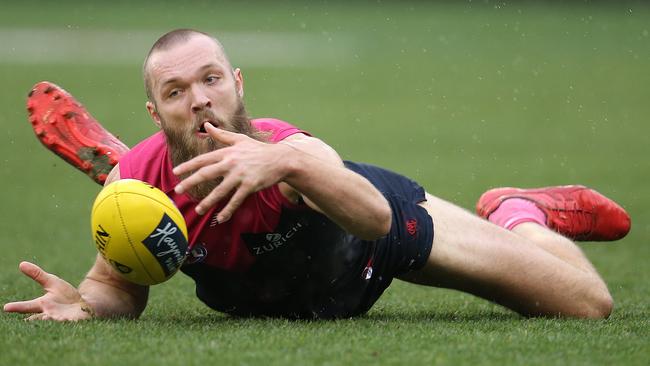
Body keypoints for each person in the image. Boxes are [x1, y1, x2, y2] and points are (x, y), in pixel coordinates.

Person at [5, 29, 631, 321]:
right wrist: (86, 304)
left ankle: (517, 211)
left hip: (376, 240)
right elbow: (120, 289)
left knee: (585, 306)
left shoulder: (286, 150)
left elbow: (373, 217)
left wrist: (289, 161)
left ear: (237, 84)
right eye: (176, 91)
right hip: (277, 289)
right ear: (155, 111)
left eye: (210, 80)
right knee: (144, 220)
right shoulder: (138, 183)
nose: (198, 99)